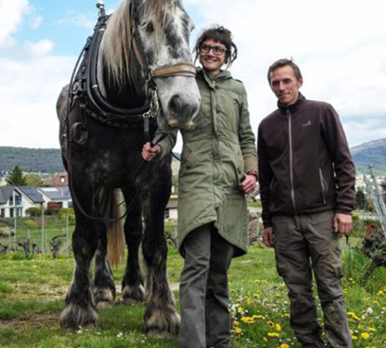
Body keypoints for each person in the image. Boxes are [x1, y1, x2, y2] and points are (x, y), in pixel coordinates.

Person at [142, 26, 258, 348]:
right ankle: (193, 343)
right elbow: (167, 133)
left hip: (231, 189)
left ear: (227, 54)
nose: (211, 53)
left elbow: (246, 137)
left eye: (218, 49)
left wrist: (252, 172)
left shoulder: (237, 89)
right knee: (197, 268)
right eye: (206, 47)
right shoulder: (185, 83)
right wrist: (156, 149)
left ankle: (220, 342)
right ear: (198, 50)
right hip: (196, 186)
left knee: (219, 275)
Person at [257, 58, 355, 348]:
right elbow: (265, 178)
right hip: (284, 222)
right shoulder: (266, 126)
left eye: (286, 80)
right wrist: (267, 221)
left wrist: (345, 208)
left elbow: (344, 162)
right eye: (275, 82)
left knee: (330, 289)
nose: (281, 87)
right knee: (297, 293)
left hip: (322, 217)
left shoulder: (321, 112)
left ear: (299, 81)